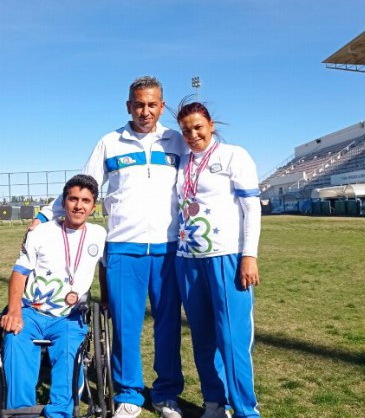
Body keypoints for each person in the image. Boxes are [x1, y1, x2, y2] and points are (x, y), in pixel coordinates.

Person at [32, 76, 187, 418]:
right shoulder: (110, 142)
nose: (145, 111)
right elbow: (83, 186)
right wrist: (44, 215)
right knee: (125, 326)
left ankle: (166, 395)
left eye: (152, 104)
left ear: (162, 107)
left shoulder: (177, 141)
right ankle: (129, 393)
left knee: (168, 325)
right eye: (139, 104)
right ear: (128, 106)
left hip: (168, 250)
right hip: (122, 249)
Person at [173, 101, 262, 418]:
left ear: (211, 125)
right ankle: (214, 402)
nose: (192, 134)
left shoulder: (234, 155)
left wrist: (249, 255)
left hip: (225, 257)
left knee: (231, 338)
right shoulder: (182, 161)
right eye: (186, 130)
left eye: (198, 127)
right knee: (202, 338)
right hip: (187, 259)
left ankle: (246, 410)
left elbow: (252, 207)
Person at [1, 174, 107, 418]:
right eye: (73, 199)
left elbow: (105, 268)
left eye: (85, 201)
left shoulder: (99, 234)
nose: (78, 206)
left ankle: (60, 413)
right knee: (15, 340)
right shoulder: (42, 232)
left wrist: (106, 299)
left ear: (93, 206)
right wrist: (14, 311)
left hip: (70, 316)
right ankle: (20, 413)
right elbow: (19, 272)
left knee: (71, 351)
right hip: (32, 312)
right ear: (64, 202)